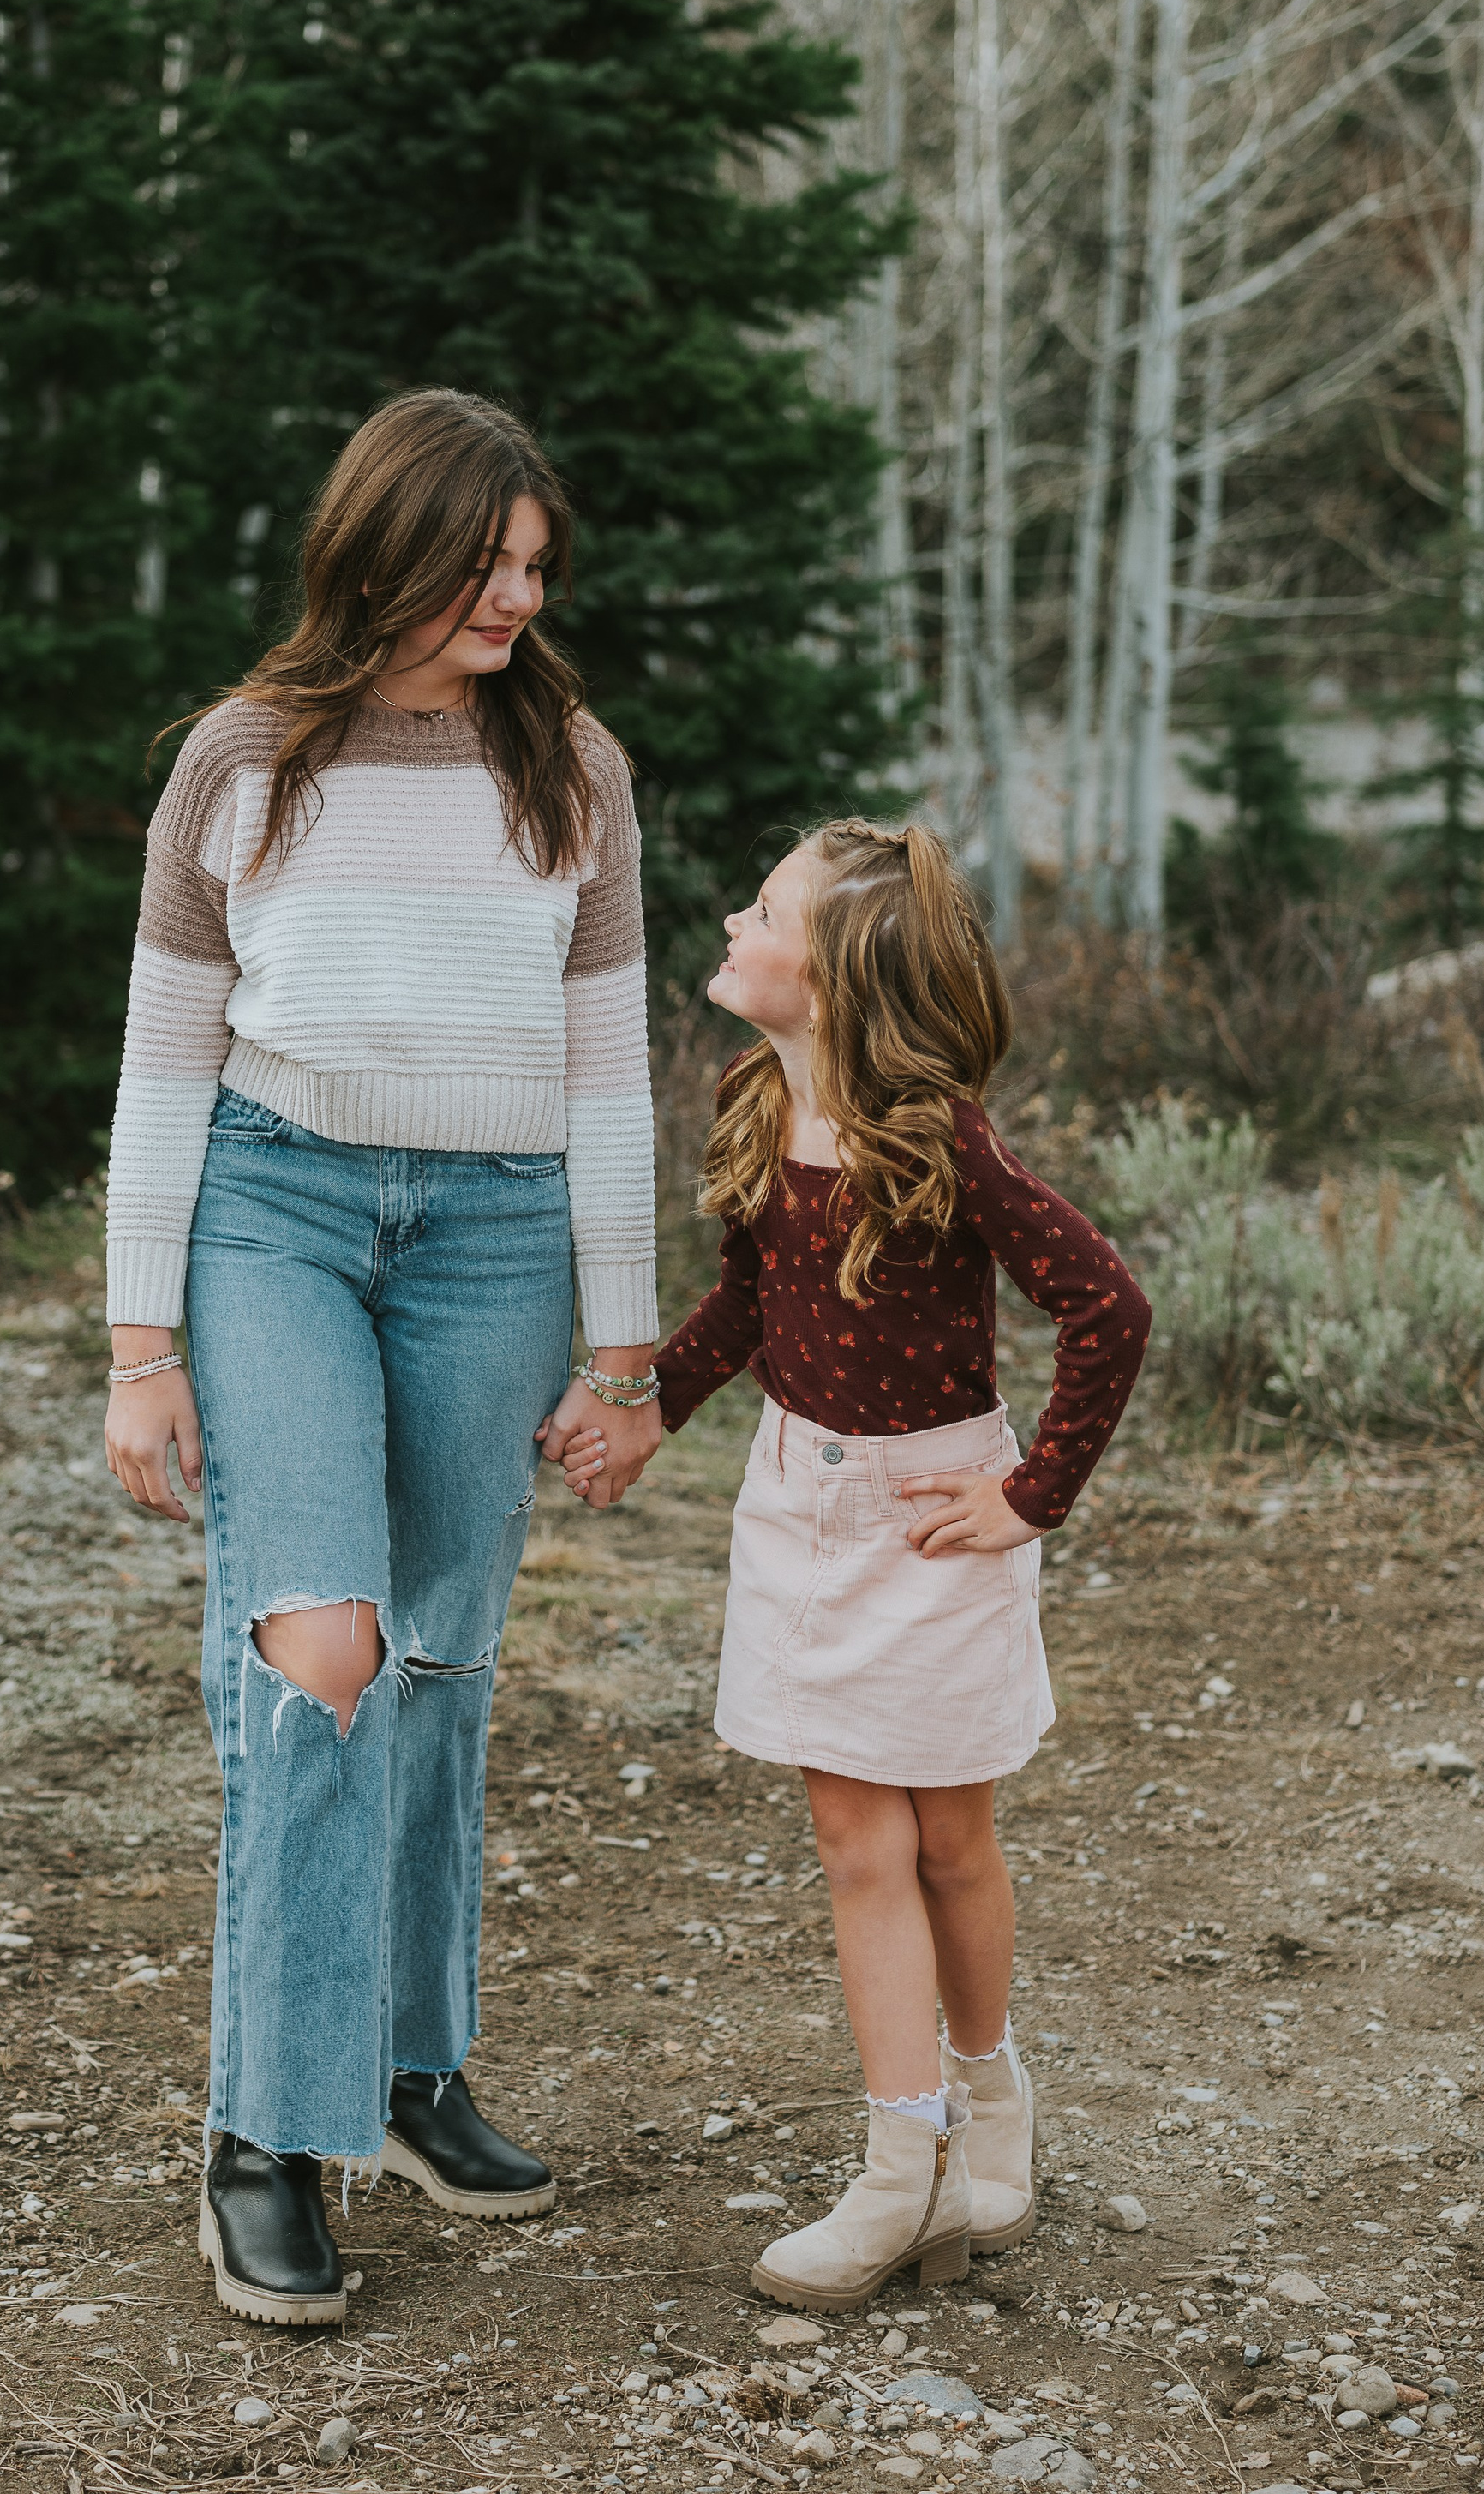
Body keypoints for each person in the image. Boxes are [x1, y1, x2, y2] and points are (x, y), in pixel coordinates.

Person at [100, 390, 661, 2329]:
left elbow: (609, 1069)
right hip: (273, 1207)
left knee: (435, 1655)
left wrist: (625, 1348)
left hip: (498, 1234)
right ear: (384, 550)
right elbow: (164, 1056)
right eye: (483, 562)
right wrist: (134, 1345)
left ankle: (413, 2076)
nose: (516, 594)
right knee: (317, 1643)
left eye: (533, 566)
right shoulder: (240, 763)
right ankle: (266, 2130)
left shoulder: (567, 767)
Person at [652, 821, 1149, 2311]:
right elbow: (749, 1301)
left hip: (934, 1521)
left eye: (767, 907)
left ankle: (993, 2096)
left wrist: (1029, 1492)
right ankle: (901, 2168)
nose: (734, 918)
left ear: (840, 973)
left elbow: (1106, 1307)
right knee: (855, 1843)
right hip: (797, 1509)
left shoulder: (937, 1136)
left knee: (948, 1843)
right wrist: (638, 1413)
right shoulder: (756, 1098)